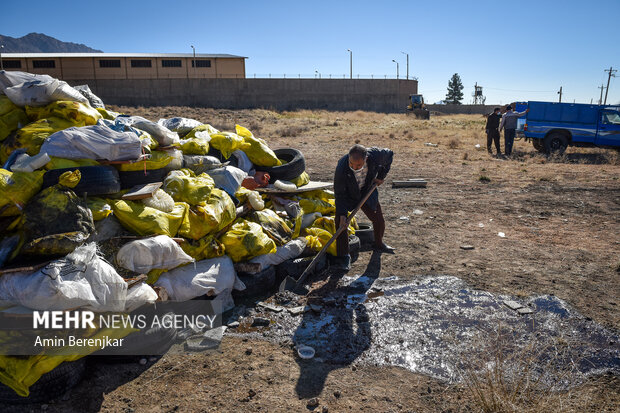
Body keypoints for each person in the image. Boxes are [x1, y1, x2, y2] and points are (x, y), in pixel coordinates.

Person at [332, 144, 394, 272]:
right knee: (340, 222)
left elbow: (389, 155)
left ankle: (378, 244)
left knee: (378, 218)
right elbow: (339, 194)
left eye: (358, 165)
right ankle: (344, 256)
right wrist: (342, 213)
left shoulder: (376, 155)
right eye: (352, 164)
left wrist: (381, 176)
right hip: (349, 194)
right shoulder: (342, 167)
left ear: (366, 159)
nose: (354, 168)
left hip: (367, 190)